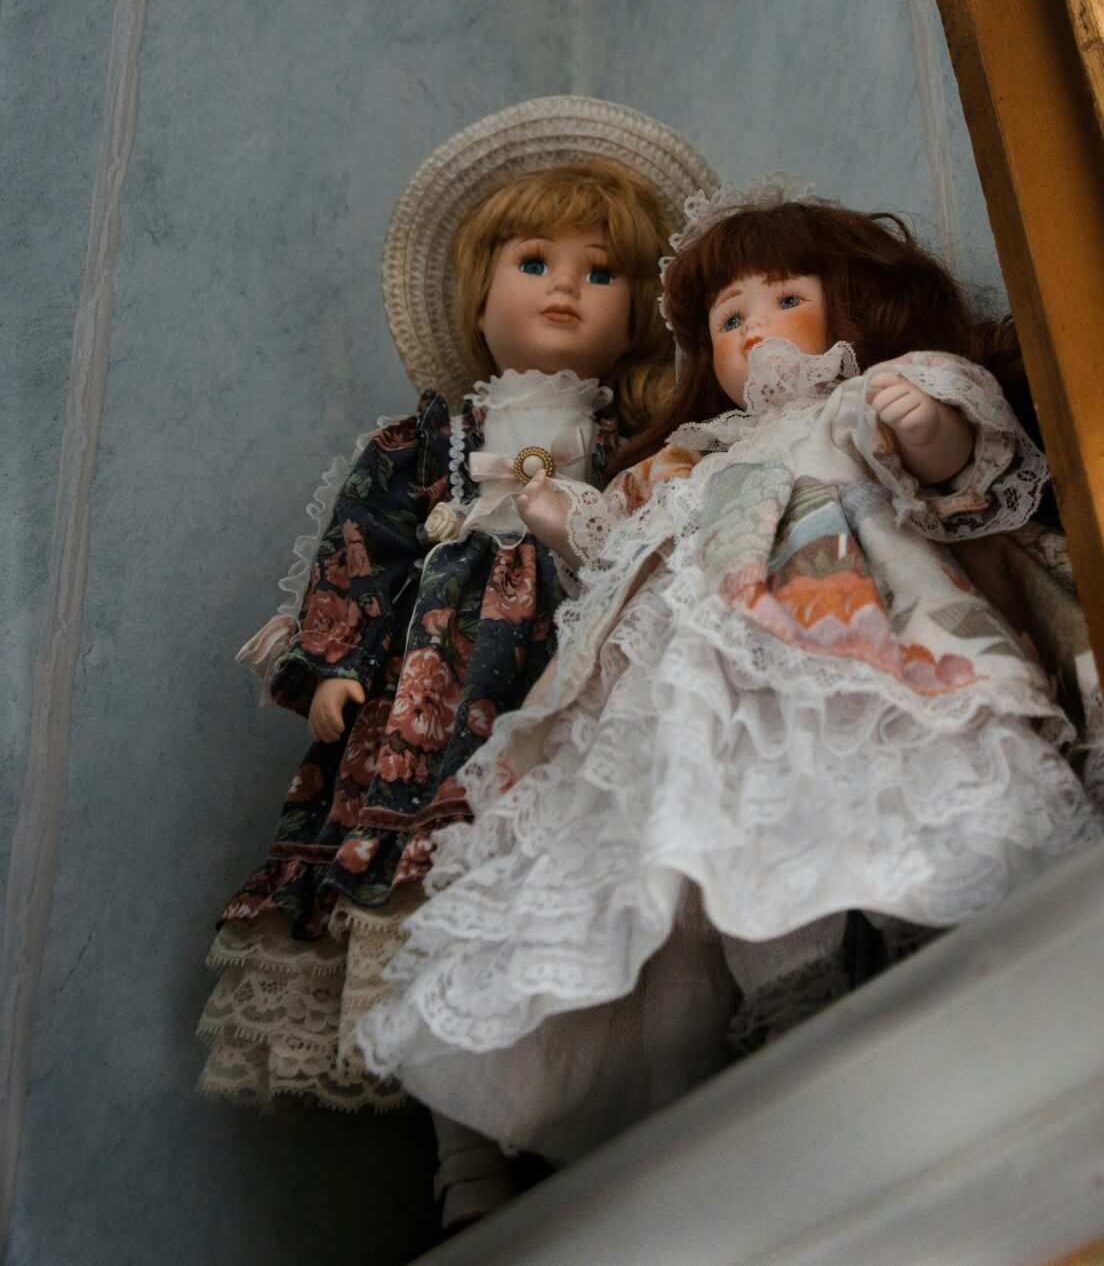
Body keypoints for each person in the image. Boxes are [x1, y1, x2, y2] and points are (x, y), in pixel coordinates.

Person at [359, 185, 1104, 1163]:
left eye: (785, 299)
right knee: (737, 837)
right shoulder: (695, 455)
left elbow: (963, 476)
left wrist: (927, 425)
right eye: (728, 318)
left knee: (896, 800)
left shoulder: (857, 399)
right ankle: (800, 1027)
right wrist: (560, 514)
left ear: (850, 302)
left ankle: (956, 989)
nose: (755, 328)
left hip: (860, 648)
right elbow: (622, 537)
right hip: (720, 693)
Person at [196, 95, 715, 1227]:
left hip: (576, 690)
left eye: (601, 272)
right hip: (432, 710)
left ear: (639, 315)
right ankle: (465, 1161)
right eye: (535, 263)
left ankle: (596, 1128)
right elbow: (360, 553)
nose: (566, 287)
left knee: (567, 901)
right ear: (480, 298)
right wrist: (330, 667)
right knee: (428, 905)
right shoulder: (419, 446)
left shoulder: (642, 445)